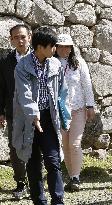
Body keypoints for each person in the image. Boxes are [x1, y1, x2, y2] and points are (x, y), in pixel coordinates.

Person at [12, 27, 66, 205]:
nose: (55, 49)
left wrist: (64, 115)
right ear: (41, 46)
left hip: (48, 117)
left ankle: (58, 200)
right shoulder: (23, 66)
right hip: (28, 120)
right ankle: (39, 201)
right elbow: (24, 94)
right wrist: (33, 115)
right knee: (33, 162)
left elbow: (62, 93)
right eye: (52, 46)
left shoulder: (56, 64)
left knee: (53, 160)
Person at [55, 34, 95, 191]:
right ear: (56, 47)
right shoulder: (52, 63)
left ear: (72, 48)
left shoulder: (79, 63)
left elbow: (86, 84)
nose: (65, 49)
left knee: (75, 143)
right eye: (61, 46)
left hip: (78, 108)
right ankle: (72, 177)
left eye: (67, 46)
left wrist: (90, 105)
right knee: (65, 145)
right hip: (60, 111)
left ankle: (76, 177)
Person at [0, 24, 31, 200]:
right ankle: (21, 183)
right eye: (16, 38)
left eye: (23, 37)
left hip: (38, 113)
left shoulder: (39, 57)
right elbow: (1, 88)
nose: (20, 40)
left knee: (36, 147)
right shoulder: (5, 61)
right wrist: (0, 112)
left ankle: (36, 181)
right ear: (11, 40)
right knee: (15, 149)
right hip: (14, 113)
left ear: (29, 37)